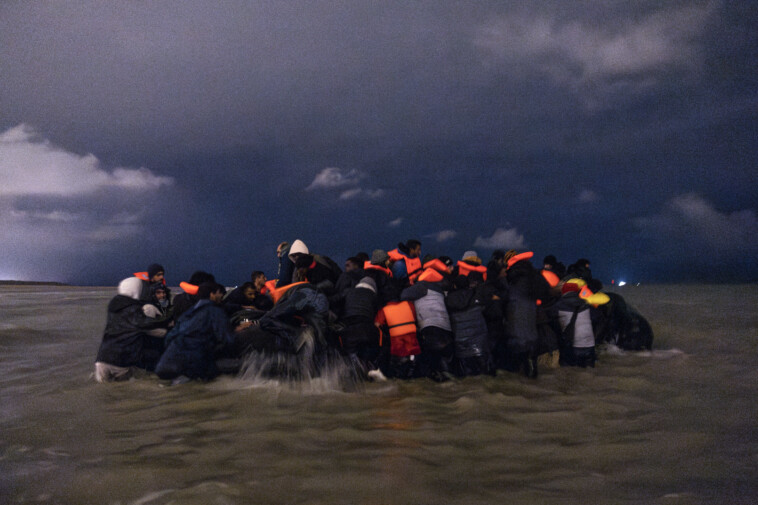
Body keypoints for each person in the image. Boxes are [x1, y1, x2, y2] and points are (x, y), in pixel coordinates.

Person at [155, 282, 251, 381]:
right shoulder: (215, 311)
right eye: (219, 292)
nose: (222, 295)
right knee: (248, 364)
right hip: (193, 366)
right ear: (212, 294)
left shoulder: (187, 314)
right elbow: (228, 341)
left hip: (164, 367)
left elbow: (169, 338)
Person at [94, 277, 171, 382]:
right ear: (136, 290)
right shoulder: (134, 309)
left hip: (102, 359)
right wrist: (168, 323)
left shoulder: (114, 307)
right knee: (122, 394)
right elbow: (146, 325)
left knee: (104, 392)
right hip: (120, 360)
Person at [501, 252, 552, 378]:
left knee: (515, 375)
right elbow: (546, 294)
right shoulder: (535, 278)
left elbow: (504, 302)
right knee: (531, 370)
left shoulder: (510, 279)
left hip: (515, 333)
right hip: (532, 332)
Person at [400, 263, 454, 381]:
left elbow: (403, 295)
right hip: (447, 328)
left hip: (431, 327)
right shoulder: (439, 289)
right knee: (443, 362)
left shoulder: (422, 286)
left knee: (429, 363)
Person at [445, 274, 492, 377]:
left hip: (461, 345)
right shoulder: (475, 295)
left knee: (468, 377)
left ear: (455, 286)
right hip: (480, 344)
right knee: (485, 375)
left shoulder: (448, 300)